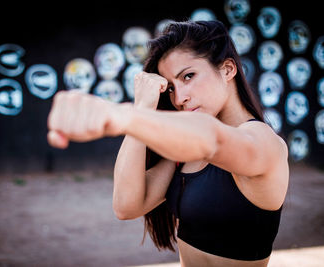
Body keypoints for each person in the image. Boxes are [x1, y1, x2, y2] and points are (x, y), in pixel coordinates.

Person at [47, 20, 289, 267]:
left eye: (189, 76)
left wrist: (123, 115)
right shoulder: (185, 155)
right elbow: (126, 206)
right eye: (171, 88)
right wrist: (142, 107)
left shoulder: (264, 142)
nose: (180, 98)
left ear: (227, 69)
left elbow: (213, 139)